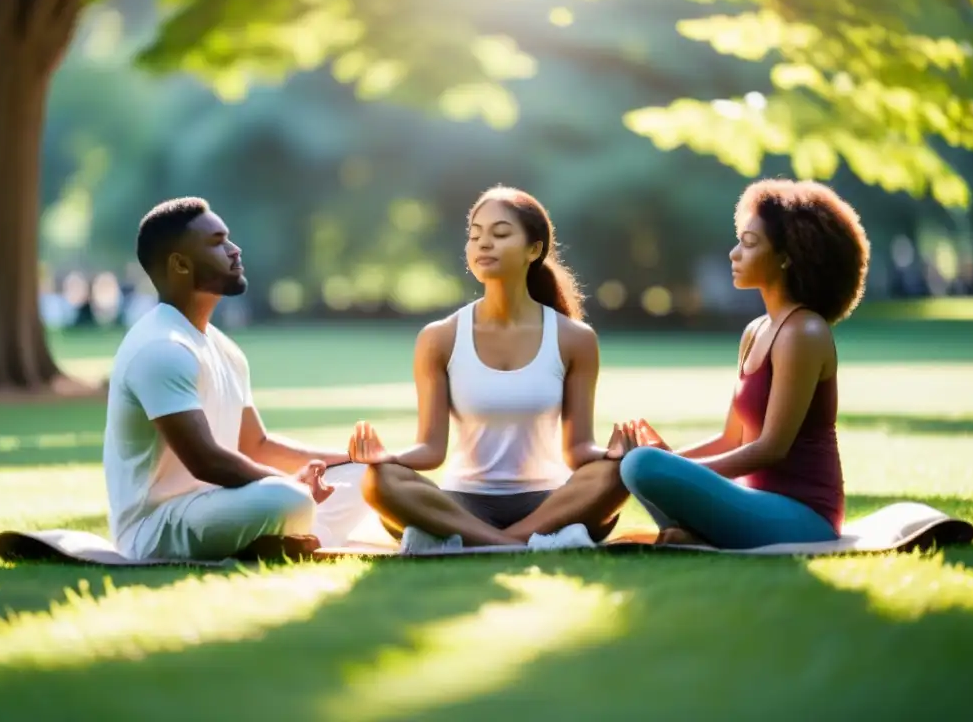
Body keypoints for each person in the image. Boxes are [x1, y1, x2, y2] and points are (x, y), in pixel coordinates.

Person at [347, 186, 631, 554]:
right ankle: (523, 544)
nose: (483, 244)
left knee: (618, 474)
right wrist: (388, 459)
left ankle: (473, 543)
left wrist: (612, 454)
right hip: (463, 504)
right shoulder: (440, 337)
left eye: (499, 234)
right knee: (379, 482)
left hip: (548, 502)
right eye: (475, 235)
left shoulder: (574, 339)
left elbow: (577, 450)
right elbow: (431, 449)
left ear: (534, 249)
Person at [102, 197, 372, 561]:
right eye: (216, 242)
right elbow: (207, 462)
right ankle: (296, 533)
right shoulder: (160, 347)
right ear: (180, 264)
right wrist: (291, 484)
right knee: (286, 500)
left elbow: (256, 444)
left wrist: (352, 460)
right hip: (158, 527)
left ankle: (297, 538)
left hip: (226, 503)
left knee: (369, 478)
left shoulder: (224, 348)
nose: (234, 250)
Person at [616, 178, 871, 550]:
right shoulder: (756, 330)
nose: (735, 254)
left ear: (786, 256)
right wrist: (668, 459)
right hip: (751, 502)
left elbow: (771, 448)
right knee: (639, 462)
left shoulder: (804, 332)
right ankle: (693, 535)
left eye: (750, 244)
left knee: (641, 467)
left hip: (802, 517)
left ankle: (692, 535)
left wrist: (677, 473)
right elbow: (731, 438)